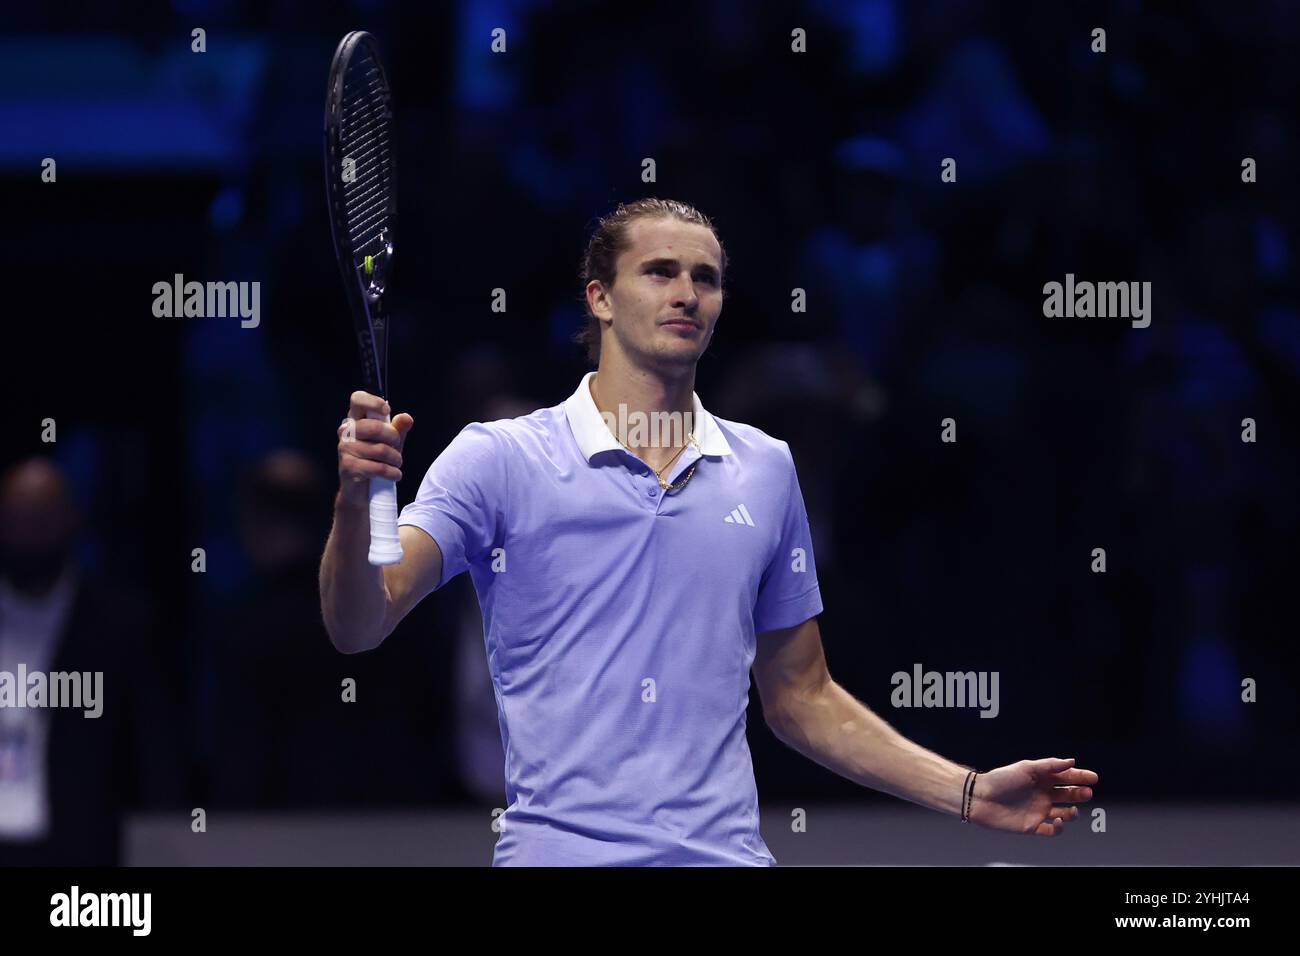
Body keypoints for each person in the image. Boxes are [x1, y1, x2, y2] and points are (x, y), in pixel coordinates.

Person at [318, 198, 1098, 865]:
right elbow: (361, 621)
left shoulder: (765, 468)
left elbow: (803, 699)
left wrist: (967, 791)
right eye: (660, 272)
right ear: (600, 296)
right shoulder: (500, 458)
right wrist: (358, 504)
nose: (687, 292)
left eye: (707, 277)